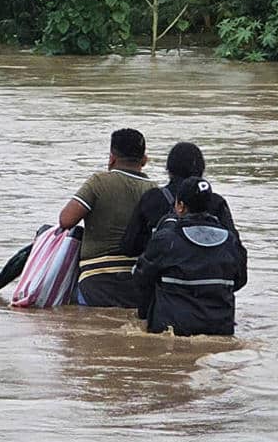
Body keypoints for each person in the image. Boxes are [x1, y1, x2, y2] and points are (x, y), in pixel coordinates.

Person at [132, 176, 248, 337]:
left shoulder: (166, 240)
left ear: (180, 206)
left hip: (174, 329)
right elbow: (240, 281)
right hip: (220, 328)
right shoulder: (230, 241)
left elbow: (141, 278)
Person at [56, 128, 158, 307]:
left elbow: (66, 220)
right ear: (144, 160)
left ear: (112, 158)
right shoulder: (155, 191)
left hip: (95, 285)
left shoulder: (98, 182)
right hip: (137, 289)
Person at [119, 141, 237, 260]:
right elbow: (236, 247)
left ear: (169, 170)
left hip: (165, 273)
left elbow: (129, 247)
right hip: (210, 273)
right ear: (201, 170)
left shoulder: (152, 198)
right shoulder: (216, 202)